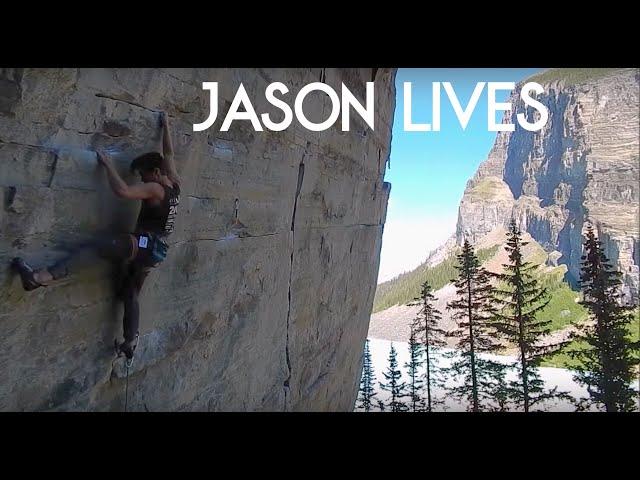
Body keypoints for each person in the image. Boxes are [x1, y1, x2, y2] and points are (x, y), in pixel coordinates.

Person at [11, 111, 181, 366]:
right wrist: (166, 126)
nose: (143, 181)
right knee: (130, 293)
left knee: (95, 248)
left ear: (155, 173)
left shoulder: (156, 188)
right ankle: (130, 341)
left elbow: (123, 191)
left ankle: (38, 278)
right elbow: (169, 154)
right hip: (156, 252)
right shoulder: (175, 184)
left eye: (144, 176)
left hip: (142, 245)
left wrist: (108, 165)